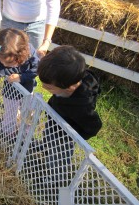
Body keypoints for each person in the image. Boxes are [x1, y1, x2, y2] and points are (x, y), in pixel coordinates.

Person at [36, 45, 102, 201]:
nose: (44, 87)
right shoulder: (68, 79)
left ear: (70, 87)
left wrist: (74, 135)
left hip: (64, 135)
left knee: (59, 157)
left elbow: (94, 126)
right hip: (55, 120)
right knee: (48, 135)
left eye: (49, 87)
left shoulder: (81, 105)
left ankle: (53, 180)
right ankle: (46, 146)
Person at [0, 28, 39, 138]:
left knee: (28, 112)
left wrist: (21, 77)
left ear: (20, 55)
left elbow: (37, 69)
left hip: (28, 91)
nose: (5, 65)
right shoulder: (3, 56)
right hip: (10, 93)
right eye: (2, 62)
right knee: (10, 116)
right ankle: (9, 135)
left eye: (9, 63)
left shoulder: (30, 53)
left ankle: (26, 134)